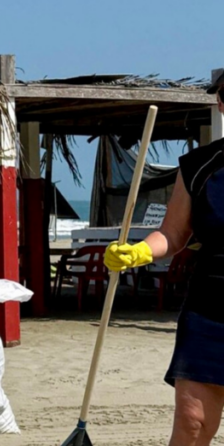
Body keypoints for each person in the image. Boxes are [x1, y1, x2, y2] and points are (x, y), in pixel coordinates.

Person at [104, 75, 224, 446]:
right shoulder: (201, 165)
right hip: (209, 308)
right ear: (221, 103)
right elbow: (173, 234)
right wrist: (138, 252)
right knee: (192, 422)